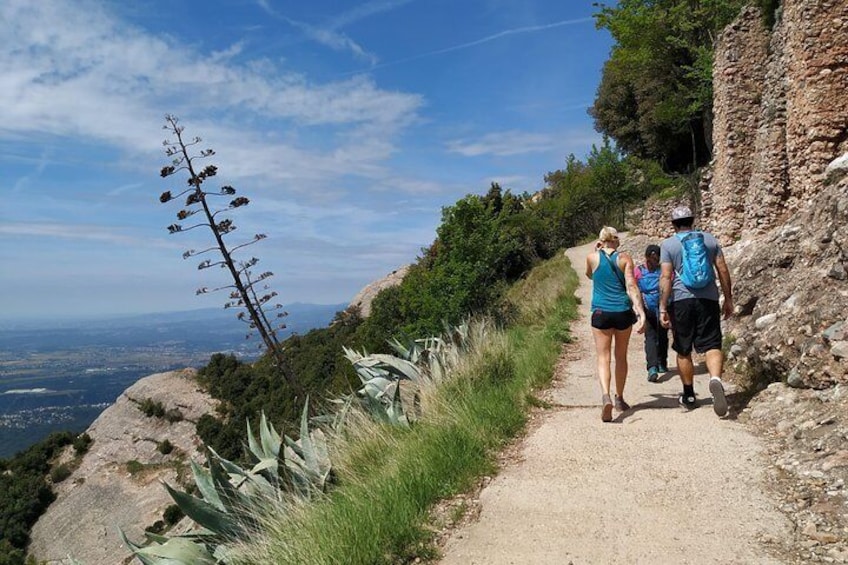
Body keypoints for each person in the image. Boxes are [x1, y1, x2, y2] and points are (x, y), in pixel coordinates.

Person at [658, 206, 734, 416]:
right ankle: (715, 379)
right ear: (693, 220)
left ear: (673, 224)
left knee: (683, 349)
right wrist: (728, 299)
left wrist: (663, 306)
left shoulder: (669, 244)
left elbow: (666, 277)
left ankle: (689, 393)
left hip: (681, 300)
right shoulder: (709, 240)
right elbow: (722, 269)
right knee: (712, 344)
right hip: (708, 298)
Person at [585, 226, 645, 422]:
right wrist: (641, 312)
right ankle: (619, 398)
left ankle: (605, 396)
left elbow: (589, 275)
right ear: (616, 240)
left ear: (601, 240)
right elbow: (631, 285)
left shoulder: (592, 258)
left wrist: (596, 251)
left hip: (601, 313)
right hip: (622, 312)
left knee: (603, 357)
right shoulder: (624, 258)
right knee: (621, 356)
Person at [634, 244, 670, 382]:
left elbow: (634, 288)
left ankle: (653, 367)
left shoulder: (639, 271)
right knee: (659, 336)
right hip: (661, 306)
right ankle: (658, 364)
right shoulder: (664, 270)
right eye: (652, 258)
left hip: (649, 306)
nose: (653, 261)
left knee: (655, 337)